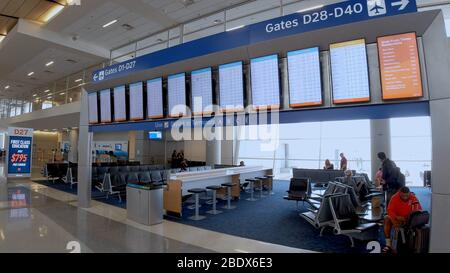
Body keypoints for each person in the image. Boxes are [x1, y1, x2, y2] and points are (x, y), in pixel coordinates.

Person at [382, 186, 422, 253]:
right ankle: (388, 243)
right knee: (386, 218)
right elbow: (390, 210)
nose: (405, 197)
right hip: (397, 218)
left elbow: (418, 210)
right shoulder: (394, 198)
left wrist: (408, 218)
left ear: (409, 193)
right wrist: (395, 219)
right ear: (399, 193)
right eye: (403, 196)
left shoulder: (413, 197)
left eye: (407, 195)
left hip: (408, 219)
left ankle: (408, 243)